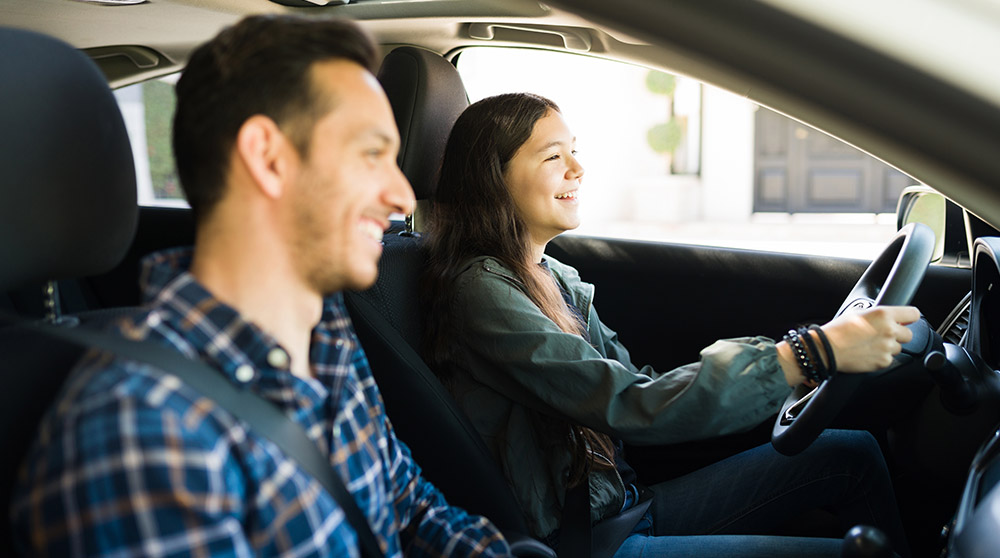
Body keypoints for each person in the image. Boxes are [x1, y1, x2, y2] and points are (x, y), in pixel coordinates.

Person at [10, 15, 511, 558]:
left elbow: (412, 511)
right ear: (269, 158)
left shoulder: (328, 342)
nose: (401, 195)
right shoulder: (144, 429)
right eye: (372, 153)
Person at [423, 92, 918, 557]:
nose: (578, 168)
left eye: (574, 152)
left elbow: (643, 384)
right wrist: (804, 354)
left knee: (850, 453)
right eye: (554, 157)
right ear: (494, 176)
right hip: (586, 539)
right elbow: (633, 405)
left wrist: (792, 367)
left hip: (623, 504)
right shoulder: (481, 292)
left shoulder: (552, 276)